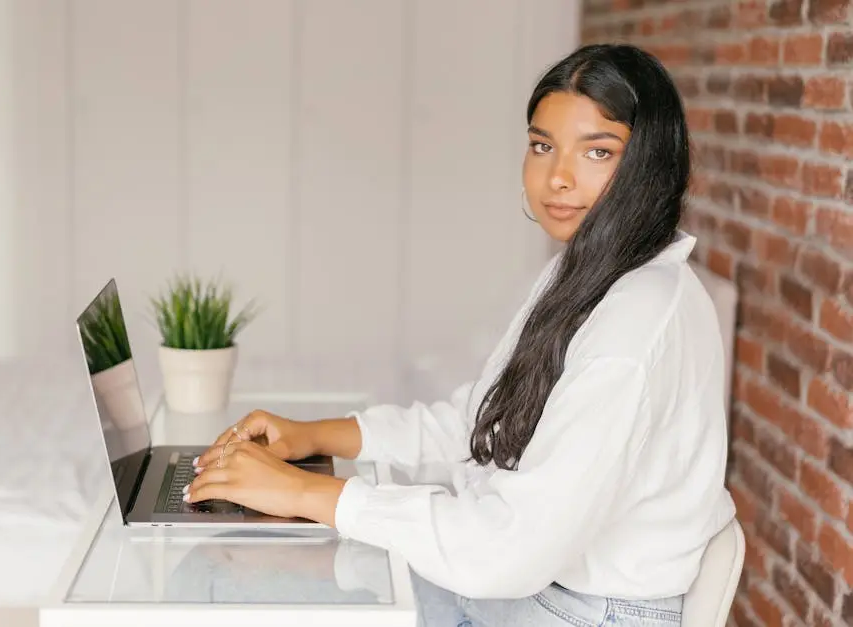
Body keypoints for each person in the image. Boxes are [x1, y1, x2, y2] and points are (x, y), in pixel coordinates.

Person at [185, 42, 736, 626]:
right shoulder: (585, 272)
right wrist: (312, 437)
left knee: (233, 586)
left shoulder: (638, 320)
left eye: (598, 152)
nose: (558, 177)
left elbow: (509, 548)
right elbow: (483, 425)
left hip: (576, 610)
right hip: (527, 584)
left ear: (649, 165)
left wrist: (302, 495)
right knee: (230, 569)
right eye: (541, 146)